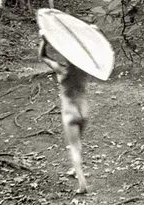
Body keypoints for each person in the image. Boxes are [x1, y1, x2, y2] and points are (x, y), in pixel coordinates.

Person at [38, 37, 89, 194]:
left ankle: (82, 184)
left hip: (70, 113)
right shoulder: (84, 69)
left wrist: (44, 41)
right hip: (84, 111)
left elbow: (43, 57)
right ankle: (76, 170)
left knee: (73, 147)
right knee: (78, 141)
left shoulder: (61, 69)